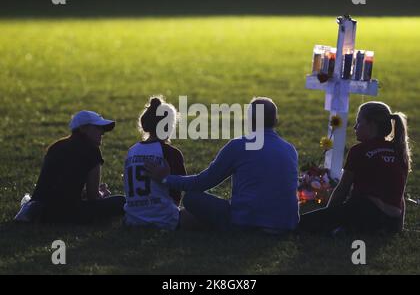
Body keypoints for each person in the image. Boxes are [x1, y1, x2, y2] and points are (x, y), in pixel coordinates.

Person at [145, 97, 300, 234]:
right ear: (276, 122)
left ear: (249, 120)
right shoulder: (290, 149)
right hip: (285, 225)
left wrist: (166, 179)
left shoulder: (239, 146)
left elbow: (202, 183)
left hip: (246, 223)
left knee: (192, 198)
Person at [299, 101, 412, 234]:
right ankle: (358, 229)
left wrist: (328, 215)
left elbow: (343, 189)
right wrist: (398, 227)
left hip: (364, 212)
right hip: (391, 220)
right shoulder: (399, 151)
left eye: (358, 122)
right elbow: (399, 195)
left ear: (372, 124)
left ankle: (346, 228)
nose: (354, 127)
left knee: (301, 223)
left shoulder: (359, 151)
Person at [14, 110, 125, 224]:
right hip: (67, 214)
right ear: (83, 129)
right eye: (97, 127)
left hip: (40, 212)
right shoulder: (92, 150)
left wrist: (84, 193)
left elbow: (55, 187)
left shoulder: (56, 146)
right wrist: (102, 194)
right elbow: (93, 197)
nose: (102, 132)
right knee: (122, 201)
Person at [123, 96, 198, 230]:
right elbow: (178, 190)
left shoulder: (132, 151)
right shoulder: (170, 153)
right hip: (164, 218)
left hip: (132, 218)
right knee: (203, 214)